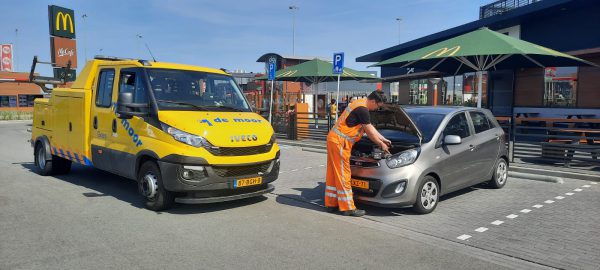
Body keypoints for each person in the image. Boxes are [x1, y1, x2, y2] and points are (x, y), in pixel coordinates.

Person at [324, 90, 391, 217]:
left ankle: (331, 203)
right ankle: (348, 207)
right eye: (378, 106)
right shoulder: (363, 109)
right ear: (372, 101)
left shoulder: (359, 104)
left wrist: (382, 139)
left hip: (334, 139)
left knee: (334, 173)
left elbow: (370, 127)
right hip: (340, 142)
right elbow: (370, 132)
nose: (377, 109)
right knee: (344, 174)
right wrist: (381, 144)